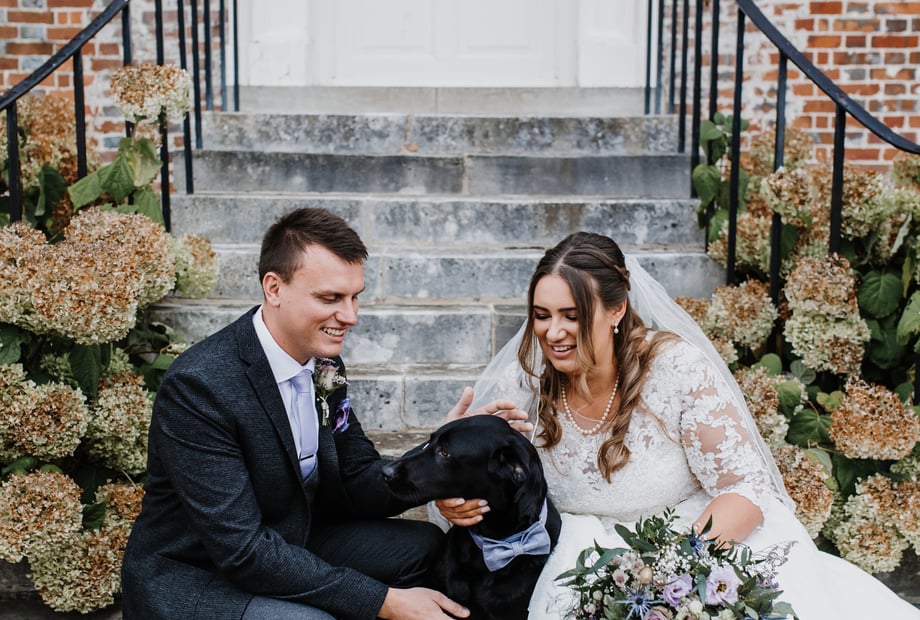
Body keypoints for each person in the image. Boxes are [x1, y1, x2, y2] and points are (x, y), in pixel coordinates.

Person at [436, 231, 920, 619]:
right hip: (574, 554)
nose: (553, 332)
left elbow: (744, 489)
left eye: (572, 316)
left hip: (692, 544)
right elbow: (479, 479)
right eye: (542, 316)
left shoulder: (674, 369)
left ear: (617, 309)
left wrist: (668, 570)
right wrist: (453, 490)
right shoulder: (525, 382)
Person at [121, 207, 524, 620]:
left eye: (354, 297)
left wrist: (439, 459)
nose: (350, 316)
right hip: (199, 574)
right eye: (330, 299)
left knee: (424, 547)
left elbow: (357, 478)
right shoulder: (200, 386)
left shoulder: (324, 365)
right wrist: (384, 601)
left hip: (291, 537)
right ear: (274, 288)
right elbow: (242, 551)